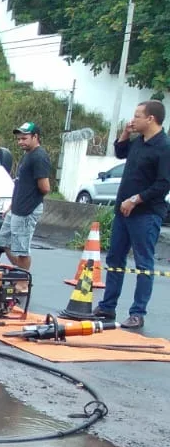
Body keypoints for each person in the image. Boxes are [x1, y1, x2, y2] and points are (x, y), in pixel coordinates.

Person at [96, 100, 170, 330]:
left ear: (151, 119)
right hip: (123, 212)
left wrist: (136, 199)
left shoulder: (164, 147)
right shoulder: (139, 142)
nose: (133, 119)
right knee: (114, 259)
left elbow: (163, 184)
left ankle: (137, 313)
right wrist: (125, 133)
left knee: (143, 263)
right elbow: (119, 152)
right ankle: (107, 306)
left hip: (146, 214)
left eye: (138, 116)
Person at [0, 122, 50, 270]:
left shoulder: (39, 157)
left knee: (22, 250)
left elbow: (45, 187)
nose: (20, 142)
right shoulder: (28, 155)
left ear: (35, 137)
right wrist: (11, 206)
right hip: (17, 208)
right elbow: (20, 184)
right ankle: (20, 271)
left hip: (28, 210)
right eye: (19, 139)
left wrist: (28, 200)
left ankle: (23, 281)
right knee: (4, 241)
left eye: (24, 138)